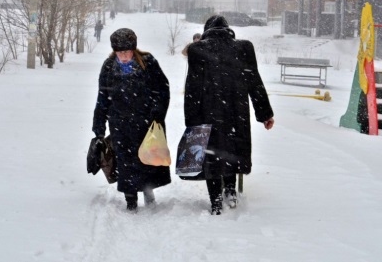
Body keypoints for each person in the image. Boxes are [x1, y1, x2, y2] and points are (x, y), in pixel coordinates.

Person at [184, 15, 274, 215]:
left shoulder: (197, 50)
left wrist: (191, 121)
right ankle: (231, 191)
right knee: (232, 150)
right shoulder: (243, 49)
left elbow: (192, 88)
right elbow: (255, 83)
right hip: (235, 112)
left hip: (207, 112)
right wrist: (265, 114)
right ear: (227, 30)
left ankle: (215, 201)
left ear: (207, 31)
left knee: (211, 154)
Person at [92, 28, 171, 212]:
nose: (124, 56)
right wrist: (99, 129)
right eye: (120, 52)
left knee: (146, 159)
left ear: (133, 49)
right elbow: (102, 98)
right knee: (125, 162)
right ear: (115, 51)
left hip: (145, 122)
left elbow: (162, 89)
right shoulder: (109, 67)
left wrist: (157, 113)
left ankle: (148, 194)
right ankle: (131, 200)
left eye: (127, 52)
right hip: (120, 124)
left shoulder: (148, 62)